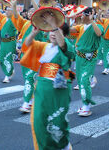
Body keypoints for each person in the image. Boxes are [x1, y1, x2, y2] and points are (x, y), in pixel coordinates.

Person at [20, 10, 74, 150]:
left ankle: (63, 145)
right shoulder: (44, 46)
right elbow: (27, 44)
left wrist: (54, 25)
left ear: (64, 35)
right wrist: (34, 32)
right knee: (40, 120)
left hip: (59, 90)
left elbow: (63, 45)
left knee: (58, 121)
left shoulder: (67, 47)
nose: (53, 33)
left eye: (56, 31)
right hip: (42, 89)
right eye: (50, 30)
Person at [70, 7, 103, 116]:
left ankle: (86, 106)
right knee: (80, 82)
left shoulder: (97, 26)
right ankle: (85, 103)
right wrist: (67, 19)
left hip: (90, 59)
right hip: (79, 58)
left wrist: (92, 19)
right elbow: (69, 30)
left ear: (88, 15)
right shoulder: (81, 27)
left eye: (83, 15)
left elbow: (98, 34)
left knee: (84, 81)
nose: (81, 17)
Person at [0, 0, 18, 83]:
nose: (7, 11)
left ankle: (7, 75)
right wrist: (1, 3)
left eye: (9, 10)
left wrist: (13, 6)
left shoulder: (14, 19)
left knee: (8, 58)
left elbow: (16, 16)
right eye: (6, 9)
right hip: (3, 42)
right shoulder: (3, 18)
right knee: (1, 58)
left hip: (11, 42)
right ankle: (10, 70)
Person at [96, 9, 109, 74]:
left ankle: (107, 68)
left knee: (108, 55)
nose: (108, 15)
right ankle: (108, 67)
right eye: (107, 14)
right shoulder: (105, 20)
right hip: (104, 40)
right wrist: (100, 12)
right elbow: (98, 18)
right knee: (105, 54)